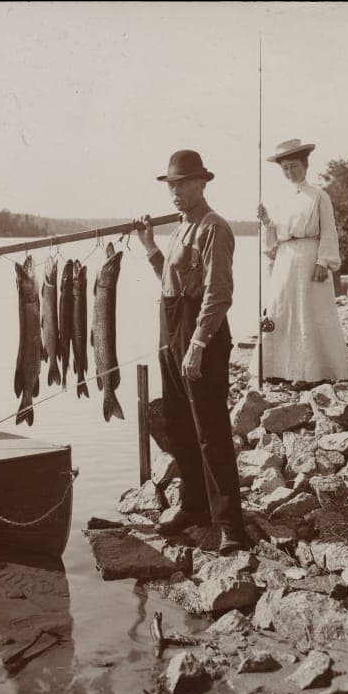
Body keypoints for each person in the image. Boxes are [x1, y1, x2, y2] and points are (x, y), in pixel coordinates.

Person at [133, 150, 248, 555]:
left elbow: (219, 292)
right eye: (171, 184)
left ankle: (230, 524)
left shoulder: (214, 227)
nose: (175, 191)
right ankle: (194, 507)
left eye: (182, 183)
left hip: (201, 335)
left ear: (202, 183)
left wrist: (198, 344)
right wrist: (149, 246)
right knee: (179, 426)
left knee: (210, 430)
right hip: (171, 332)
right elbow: (170, 281)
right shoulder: (180, 227)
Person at [256, 138, 348, 387]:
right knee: (282, 309)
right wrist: (267, 222)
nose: (290, 172)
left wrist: (323, 261)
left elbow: (329, 231)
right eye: (285, 168)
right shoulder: (280, 198)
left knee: (310, 312)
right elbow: (276, 236)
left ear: (305, 165)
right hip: (285, 258)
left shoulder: (319, 196)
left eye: (294, 166)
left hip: (310, 258)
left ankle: (314, 371)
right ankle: (277, 369)